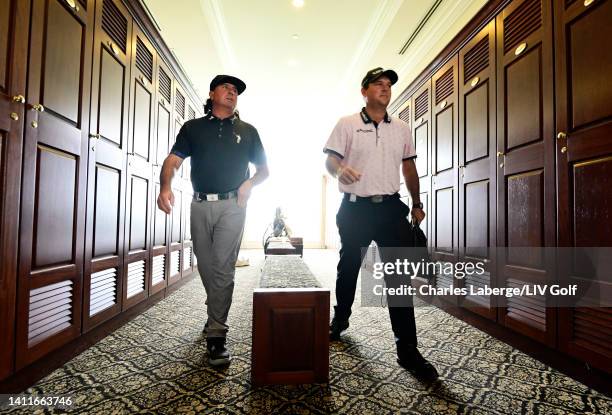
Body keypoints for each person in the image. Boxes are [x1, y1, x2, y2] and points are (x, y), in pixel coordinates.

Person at [323, 67, 438, 381]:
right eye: (378, 84)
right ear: (364, 91)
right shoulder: (346, 124)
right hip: (355, 210)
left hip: (390, 209)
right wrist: (339, 171)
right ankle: (341, 318)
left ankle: (407, 350)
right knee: (349, 266)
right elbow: (330, 160)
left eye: (388, 85)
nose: (385, 89)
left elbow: (409, 167)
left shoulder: (401, 127)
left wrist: (416, 203)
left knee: (398, 277)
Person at [157, 74, 269, 366]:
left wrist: (250, 184)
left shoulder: (249, 130)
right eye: (226, 88)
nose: (232, 93)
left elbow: (264, 171)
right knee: (206, 265)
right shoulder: (193, 128)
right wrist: (165, 186)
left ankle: (217, 335)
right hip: (200, 205)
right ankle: (215, 309)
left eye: (236, 91)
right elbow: (173, 160)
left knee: (222, 267)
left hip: (233, 205)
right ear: (212, 93)